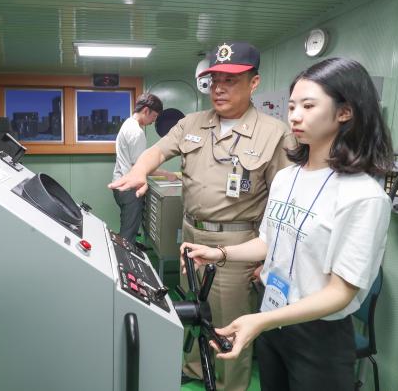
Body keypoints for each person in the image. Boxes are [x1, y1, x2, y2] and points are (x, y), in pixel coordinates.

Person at [182, 57, 393, 390]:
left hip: (317, 333)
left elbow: (340, 293)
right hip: (272, 313)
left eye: (309, 106)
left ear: (345, 112)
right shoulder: (285, 177)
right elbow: (269, 242)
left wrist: (262, 320)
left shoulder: (363, 195)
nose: (294, 116)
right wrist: (219, 253)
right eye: (292, 106)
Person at [109, 42, 295, 391]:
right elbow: (157, 150)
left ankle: (229, 386)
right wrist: (139, 171)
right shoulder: (193, 123)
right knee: (197, 312)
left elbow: (282, 205)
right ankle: (195, 367)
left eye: (231, 80)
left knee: (231, 325)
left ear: (254, 83)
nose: (219, 88)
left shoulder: (275, 134)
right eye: (214, 81)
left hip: (237, 243)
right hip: (191, 235)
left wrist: (269, 259)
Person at [112, 93, 177, 245]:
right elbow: (139, 168)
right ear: (146, 111)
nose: (154, 121)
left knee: (129, 226)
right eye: (154, 116)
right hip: (129, 189)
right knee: (128, 232)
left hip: (120, 184)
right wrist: (167, 174)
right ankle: (126, 262)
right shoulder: (137, 133)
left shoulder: (127, 124)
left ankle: (131, 245)